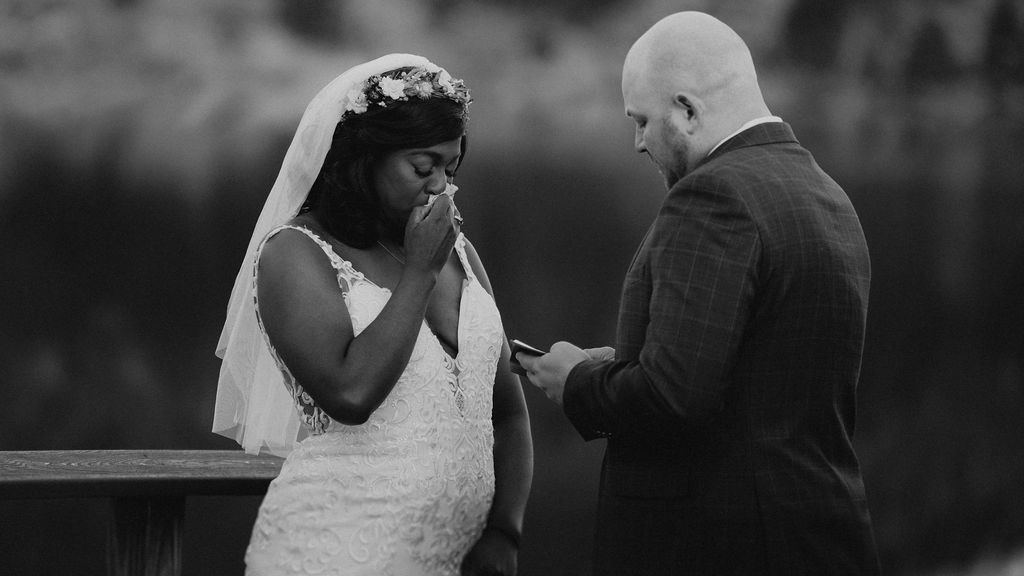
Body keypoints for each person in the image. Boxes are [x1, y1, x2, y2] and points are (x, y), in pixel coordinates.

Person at [518, 12, 881, 575]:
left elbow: (672, 399)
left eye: (642, 120)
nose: (637, 142)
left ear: (686, 110)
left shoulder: (713, 196)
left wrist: (576, 382)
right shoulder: (824, 191)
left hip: (717, 547)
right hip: (820, 535)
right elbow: (762, 369)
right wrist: (623, 362)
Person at [212, 54, 533, 576]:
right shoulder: (295, 253)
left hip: (453, 560)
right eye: (423, 168)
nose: (439, 189)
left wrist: (504, 532)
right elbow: (350, 394)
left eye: (450, 170)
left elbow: (508, 415)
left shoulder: (459, 254)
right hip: (336, 548)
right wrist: (420, 272)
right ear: (365, 158)